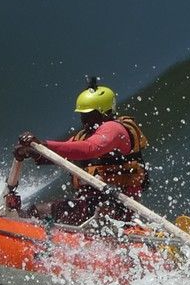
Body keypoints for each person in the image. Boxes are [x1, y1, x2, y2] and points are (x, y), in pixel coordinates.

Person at [11, 79, 148, 225]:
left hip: (118, 205)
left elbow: (91, 148)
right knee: (35, 211)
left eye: (89, 115)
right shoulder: (84, 136)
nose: (84, 120)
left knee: (48, 211)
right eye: (82, 115)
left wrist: (44, 144)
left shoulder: (115, 129)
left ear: (104, 112)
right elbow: (60, 154)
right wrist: (32, 151)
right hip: (90, 204)